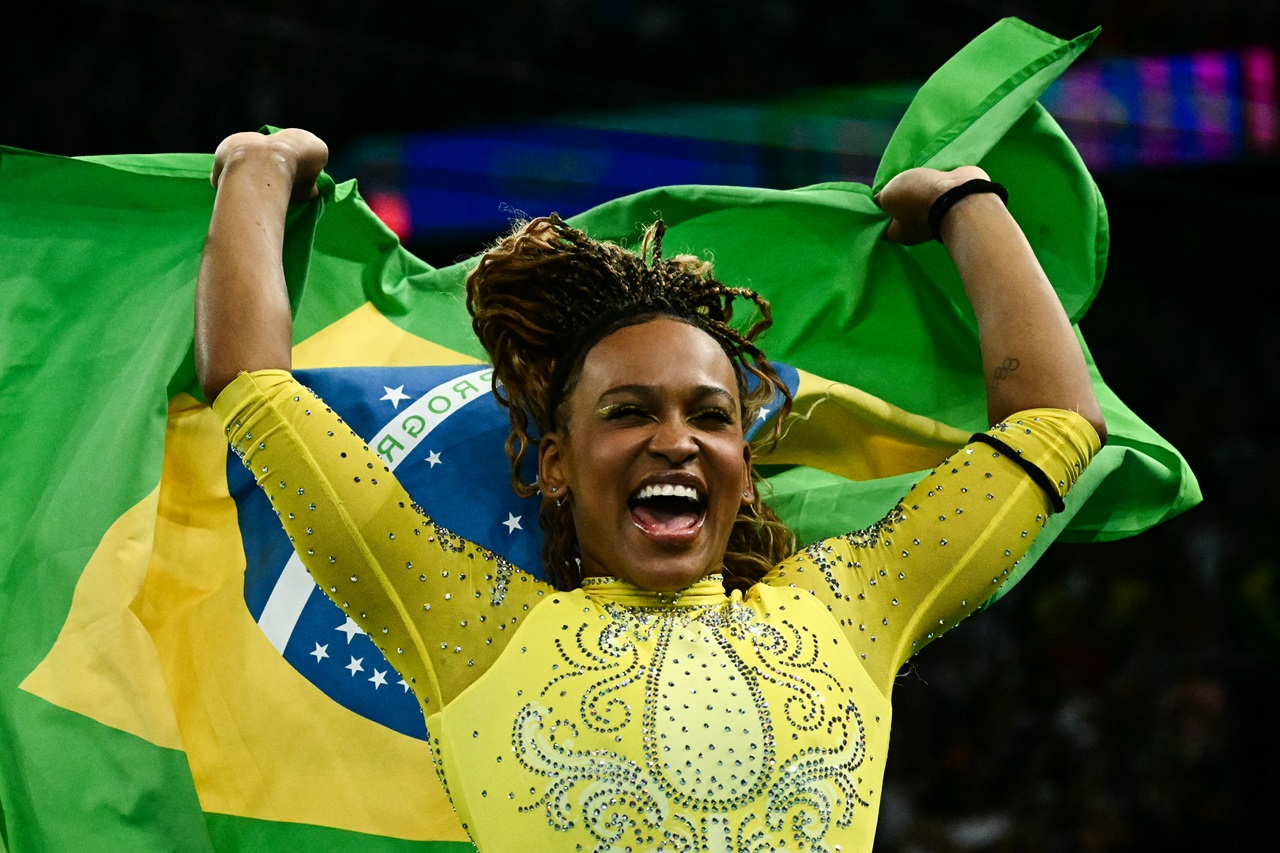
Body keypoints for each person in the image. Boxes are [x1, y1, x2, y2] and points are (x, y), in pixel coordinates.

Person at [196, 127, 1106, 851]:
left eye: (711, 417)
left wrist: (965, 199)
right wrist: (259, 167)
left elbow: (1057, 424)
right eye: (629, 412)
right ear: (555, 462)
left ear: (744, 467)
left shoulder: (851, 610)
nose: (675, 441)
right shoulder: (468, 624)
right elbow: (252, 386)